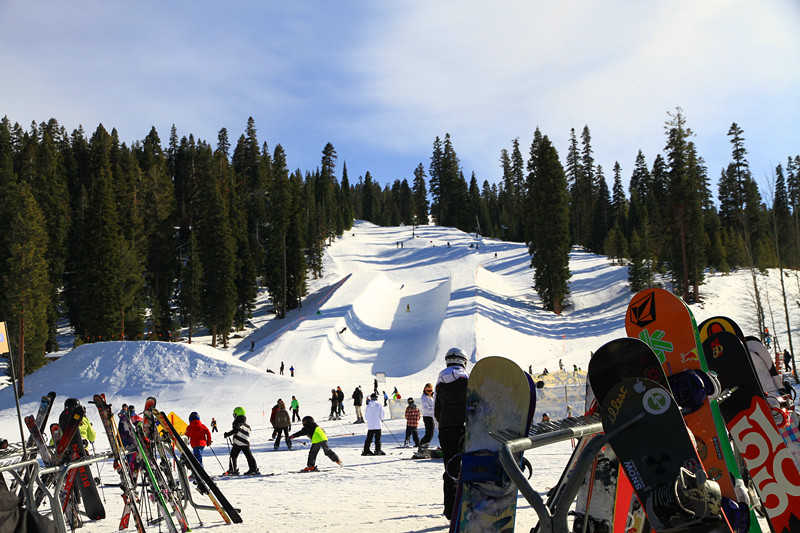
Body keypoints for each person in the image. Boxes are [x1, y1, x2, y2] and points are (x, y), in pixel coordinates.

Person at [435, 347, 470, 520]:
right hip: (465, 429)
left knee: (450, 469)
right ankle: (468, 506)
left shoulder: (440, 382)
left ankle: (451, 510)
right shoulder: (466, 379)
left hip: (446, 430)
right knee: (469, 467)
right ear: (463, 361)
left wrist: (441, 427)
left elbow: (436, 410)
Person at [223, 407, 259, 475]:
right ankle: (253, 468)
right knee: (249, 456)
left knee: (233, 456)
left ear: (237, 414)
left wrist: (227, 434)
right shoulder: (246, 422)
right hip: (246, 441)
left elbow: (235, 430)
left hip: (238, 442)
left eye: (234, 414)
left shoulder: (236, 421)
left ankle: (232, 469)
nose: (234, 415)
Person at [418, 383, 435, 453]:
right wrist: (434, 409)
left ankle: (423, 448)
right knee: (429, 434)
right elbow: (426, 408)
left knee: (430, 434)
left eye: (431, 390)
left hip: (432, 416)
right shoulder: (424, 397)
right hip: (427, 416)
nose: (430, 392)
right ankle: (422, 448)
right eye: (428, 390)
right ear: (425, 389)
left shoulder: (431, 396)